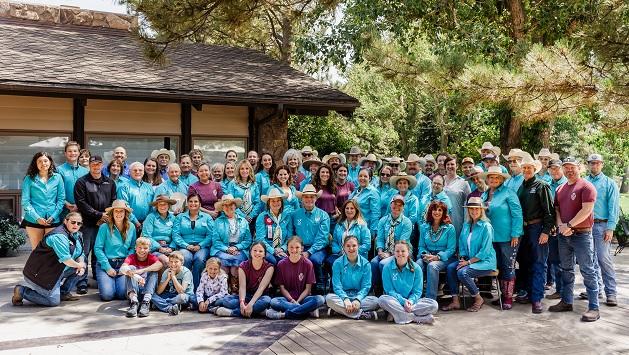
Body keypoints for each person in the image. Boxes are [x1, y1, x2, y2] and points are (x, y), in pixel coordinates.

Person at [548, 157, 600, 322]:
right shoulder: (560, 188)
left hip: (582, 235)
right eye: (566, 167)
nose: (569, 170)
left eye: (572, 167)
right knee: (566, 269)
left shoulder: (586, 186)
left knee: (587, 270)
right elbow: (557, 210)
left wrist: (569, 225)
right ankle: (566, 301)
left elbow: (587, 210)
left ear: (579, 168)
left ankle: (594, 307)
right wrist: (562, 226)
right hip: (564, 236)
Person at [12, 212, 85, 307]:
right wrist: (79, 265)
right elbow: (66, 260)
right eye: (73, 222)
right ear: (65, 221)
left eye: (79, 223)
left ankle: (63, 293)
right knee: (52, 301)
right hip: (41, 274)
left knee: (81, 267)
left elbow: (80, 253)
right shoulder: (59, 236)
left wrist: (81, 264)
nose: (76, 225)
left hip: (56, 271)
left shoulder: (77, 235)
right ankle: (21, 291)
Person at [442, 197, 498, 312]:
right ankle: (455, 301)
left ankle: (478, 298)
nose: (474, 211)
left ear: (481, 210)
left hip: (485, 261)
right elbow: (462, 243)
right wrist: (463, 258)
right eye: (471, 209)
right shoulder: (467, 225)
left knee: (463, 272)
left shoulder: (486, 227)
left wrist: (467, 262)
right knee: (451, 267)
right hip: (469, 260)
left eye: (476, 209)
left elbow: (485, 251)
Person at [481, 166, 523, 310]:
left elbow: (517, 214)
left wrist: (515, 234)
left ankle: (508, 297)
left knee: (508, 266)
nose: (493, 180)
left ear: (502, 179)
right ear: (487, 179)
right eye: (491, 177)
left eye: (497, 177)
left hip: (507, 237)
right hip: (491, 238)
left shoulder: (508, 193)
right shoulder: (484, 195)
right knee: (497, 266)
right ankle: (501, 295)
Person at [517, 155, 554, 313]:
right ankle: (527, 292)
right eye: (524, 167)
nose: (526, 170)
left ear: (535, 169)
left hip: (537, 228)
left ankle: (537, 298)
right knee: (525, 263)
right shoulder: (521, 187)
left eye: (529, 167)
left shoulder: (542, 185)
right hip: (523, 230)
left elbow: (549, 211)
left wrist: (546, 231)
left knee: (539, 263)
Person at [74, 155, 116, 294]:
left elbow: (113, 201)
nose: (96, 167)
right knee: (84, 253)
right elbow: (81, 203)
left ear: (102, 165)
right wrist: (98, 215)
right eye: (93, 164)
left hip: (104, 224)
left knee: (100, 252)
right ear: (89, 166)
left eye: (98, 164)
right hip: (87, 224)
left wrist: (105, 217)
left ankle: (99, 278)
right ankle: (81, 282)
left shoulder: (110, 182)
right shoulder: (81, 182)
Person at [584, 153, 619, 307]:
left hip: (602, 225)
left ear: (602, 164)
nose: (594, 166)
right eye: (592, 163)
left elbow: (613, 208)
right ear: (588, 165)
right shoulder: (584, 182)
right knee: (589, 259)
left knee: (603, 259)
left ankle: (611, 292)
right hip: (585, 226)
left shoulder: (609, 183)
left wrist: (610, 228)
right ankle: (595, 289)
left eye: (597, 163)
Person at [378, 240, 438, 324]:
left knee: (434, 305)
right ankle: (416, 318)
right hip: (395, 301)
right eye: (397, 251)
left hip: (411, 303)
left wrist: (410, 301)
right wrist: (403, 301)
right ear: (394, 253)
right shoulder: (387, 268)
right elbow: (389, 290)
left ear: (408, 252)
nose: (400, 253)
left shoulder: (416, 268)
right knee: (382, 300)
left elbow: (417, 292)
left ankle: (397, 314)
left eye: (403, 251)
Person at [265, 236, 325, 319]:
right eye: (291, 247)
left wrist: (298, 301)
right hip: (288, 299)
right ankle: (308, 310)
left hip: (303, 299)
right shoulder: (281, 264)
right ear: (287, 249)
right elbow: (282, 288)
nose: (294, 250)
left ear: (302, 248)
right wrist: (292, 301)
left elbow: (308, 289)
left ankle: (284, 315)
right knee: (274, 302)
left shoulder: (308, 264)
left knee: (320, 299)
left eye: (297, 247)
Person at [326, 235, 379, 320]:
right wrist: (345, 299)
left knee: (376, 302)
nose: (351, 248)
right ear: (343, 247)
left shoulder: (366, 264)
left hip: (359, 297)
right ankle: (361, 314)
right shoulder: (337, 263)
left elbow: (366, 286)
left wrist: (358, 299)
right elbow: (337, 286)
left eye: (354, 245)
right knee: (329, 299)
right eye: (348, 246)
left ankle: (339, 311)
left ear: (358, 246)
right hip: (342, 296)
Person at [214, 242, 273, 318]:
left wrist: (251, 304)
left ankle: (232, 312)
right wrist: (242, 302)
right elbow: (242, 287)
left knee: (266, 301)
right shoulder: (243, 265)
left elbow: (261, 288)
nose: (257, 253)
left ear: (264, 254)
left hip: (260, 297)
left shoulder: (269, 267)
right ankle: (260, 312)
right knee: (227, 300)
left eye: (260, 251)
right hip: (246, 295)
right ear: (250, 252)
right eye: (255, 250)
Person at [93, 200, 137, 301]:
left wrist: (125, 264)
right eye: (116, 211)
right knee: (107, 296)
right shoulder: (104, 227)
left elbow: (132, 248)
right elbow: (98, 248)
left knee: (122, 295)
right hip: (106, 263)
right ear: (112, 213)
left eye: (121, 211)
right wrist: (107, 267)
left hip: (123, 264)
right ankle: (107, 283)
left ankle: (114, 283)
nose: (118, 213)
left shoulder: (131, 227)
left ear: (125, 213)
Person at [21, 152, 65, 249]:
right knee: (36, 251)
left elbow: (61, 200)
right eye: (39, 161)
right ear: (35, 164)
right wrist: (37, 218)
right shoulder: (29, 179)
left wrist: (54, 216)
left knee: (51, 251)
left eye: (45, 160)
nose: (43, 163)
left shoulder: (57, 177)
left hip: (53, 219)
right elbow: (25, 202)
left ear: (50, 162)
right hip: (33, 220)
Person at [291, 184, 330, 292]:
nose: (309, 199)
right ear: (302, 199)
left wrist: (310, 252)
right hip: (300, 247)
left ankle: (320, 284)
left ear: (316, 198)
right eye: (306, 197)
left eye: (312, 196)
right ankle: (298, 286)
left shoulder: (323, 215)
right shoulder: (295, 215)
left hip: (318, 248)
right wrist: (295, 249)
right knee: (293, 259)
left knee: (315, 260)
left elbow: (322, 238)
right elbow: (291, 234)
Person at [371, 195, 413, 295]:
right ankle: (377, 290)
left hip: (401, 252)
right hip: (385, 251)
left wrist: (389, 255)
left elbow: (402, 243)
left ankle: (388, 290)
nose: (397, 207)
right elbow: (380, 238)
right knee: (373, 262)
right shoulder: (383, 220)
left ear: (403, 207)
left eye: (400, 205)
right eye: (395, 204)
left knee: (383, 264)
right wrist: (380, 251)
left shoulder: (406, 222)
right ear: (391, 205)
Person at [173, 194, 215, 291]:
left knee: (199, 259)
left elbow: (211, 235)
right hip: (185, 246)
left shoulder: (207, 217)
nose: (193, 203)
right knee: (186, 258)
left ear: (200, 204)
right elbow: (176, 235)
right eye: (191, 201)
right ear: (187, 203)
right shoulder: (180, 217)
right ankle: (184, 288)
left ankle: (197, 289)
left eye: (196, 201)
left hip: (202, 246)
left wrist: (200, 245)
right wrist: (186, 245)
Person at [211, 194, 252, 293]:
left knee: (235, 265)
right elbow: (216, 241)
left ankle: (234, 288)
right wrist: (227, 249)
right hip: (222, 248)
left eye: (231, 205)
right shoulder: (218, 221)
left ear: (235, 206)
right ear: (222, 208)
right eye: (225, 205)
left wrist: (236, 247)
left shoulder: (243, 221)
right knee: (223, 264)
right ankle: (223, 288)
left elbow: (248, 240)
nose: (228, 207)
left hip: (239, 249)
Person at [418, 201, 457, 300]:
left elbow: (451, 249)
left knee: (432, 266)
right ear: (430, 211)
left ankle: (430, 299)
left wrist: (437, 257)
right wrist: (425, 255)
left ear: (443, 213)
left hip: (446, 257)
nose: (437, 212)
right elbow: (421, 246)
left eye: (440, 210)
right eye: (434, 209)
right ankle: (416, 296)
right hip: (428, 255)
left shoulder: (449, 228)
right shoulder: (424, 227)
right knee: (417, 264)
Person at [120, 237, 163, 318]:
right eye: (140, 247)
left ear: (149, 249)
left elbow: (159, 265)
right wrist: (137, 277)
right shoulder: (131, 257)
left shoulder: (151, 257)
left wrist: (141, 271)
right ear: (135, 248)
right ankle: (134, 303)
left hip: (148, 291)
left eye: (145, 248)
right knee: (130, 268)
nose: (142, 250)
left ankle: (146, 303)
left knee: (153, 269)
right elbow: (123, 268)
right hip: (134, 290)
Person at [546, 158, 567, 300]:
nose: (554, 171)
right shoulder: (547, 185)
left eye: (557, 168)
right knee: (555, 260)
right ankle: (560, 290)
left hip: (566, 227)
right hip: (552, 228)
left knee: (565, 261)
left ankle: (565, 290)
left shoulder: (567, 184)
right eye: (552, 168)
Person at [328, 199, 371, 266]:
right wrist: (339, 252)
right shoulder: (339, 224)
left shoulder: (362, 225)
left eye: (352, 208)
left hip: (358, 257)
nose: (349, 210)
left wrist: (351, 253)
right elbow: (334, 242)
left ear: (356, 210)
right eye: (347, 208)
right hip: (341, 255)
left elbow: (367, 244)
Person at [152, 251, 195, 315]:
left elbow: (181, 291)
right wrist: (168, 279)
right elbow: (159, 292)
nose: (173, 264)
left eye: (176, 262)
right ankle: (171, 308)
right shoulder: (167, 272)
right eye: (171, 262)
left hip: (184, 295)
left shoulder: (186, 272)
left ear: (182, 263)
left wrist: (173, 277)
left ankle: (162, 304)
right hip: (170, 295)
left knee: (181, 298)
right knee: (152, 295)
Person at [255, 188, 291, 265]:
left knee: (285, 261)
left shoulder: (287, 216)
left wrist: (282, 249)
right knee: (273, 261)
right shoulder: (262, 217)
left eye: (278, 200)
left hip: (282, 249)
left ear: (281, 202)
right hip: (266, 249)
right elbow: (260, 238)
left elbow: (289, 238)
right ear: (268, 203)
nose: (276, 203)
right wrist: (273, 250)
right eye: (273, 201)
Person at [143, 195, 177, 266]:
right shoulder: (151, 217)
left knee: (179, 259)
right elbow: (147, 236)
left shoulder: (173, 218)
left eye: (164, 204)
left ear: (169, 205)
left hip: (169, 247)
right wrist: (159, 247)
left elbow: (176, 235)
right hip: (154, 248)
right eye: (160, 204)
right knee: (166, 260)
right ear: (156, 206)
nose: (162, 206)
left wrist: (171, 247)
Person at [57, 141, 88, 217]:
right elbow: (55, 190)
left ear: (78, 153)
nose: (72, 153)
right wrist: (67, 204)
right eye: (69, 151)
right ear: (65, 153)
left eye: (75, 151)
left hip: (82, 210)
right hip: (63, 211)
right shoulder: (59, 170)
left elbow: (88, 191)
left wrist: (79, 205)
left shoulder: (86, 171)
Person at [119, 162, 154, 230]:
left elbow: (152, 206)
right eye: (135, 170)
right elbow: (124, 206)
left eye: (140, 170)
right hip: (129, 224)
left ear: (143, 172)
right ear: (129, 172)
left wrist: (147, 221)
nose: (138, 172)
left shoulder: (149, 187)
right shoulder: (123, 187)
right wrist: (135, 221)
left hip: (146, 224)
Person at [443, 155, 471, 236]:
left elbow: (468, 204)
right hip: (440, 219)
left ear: (457, 166)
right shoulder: (440, 180)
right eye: (448, 164)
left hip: (457, 220)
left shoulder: (463, 183)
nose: (450, 166)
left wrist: (467, 223)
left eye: (452, 164)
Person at [349, 168, 381, 237]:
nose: (362, 178)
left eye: (365, 176)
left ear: (370, 179)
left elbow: (375, 213)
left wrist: (372, 231)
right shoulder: (356, 190)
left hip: (364, 228)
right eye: (360, 176)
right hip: (352, 226)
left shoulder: (373, 192)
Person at [312, 164, 339, 230]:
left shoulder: (333, 187)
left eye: (327, 172)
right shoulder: (314, 187)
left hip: (332, 218)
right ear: (318, 174)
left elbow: (334, 202)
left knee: (332, 239)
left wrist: (336, 213)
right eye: (323, 172)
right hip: (319, 218)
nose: (325, 174)